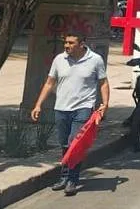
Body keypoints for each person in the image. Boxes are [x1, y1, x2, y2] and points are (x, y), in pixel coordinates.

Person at [31, 32, 109, 196]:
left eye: (71, 43)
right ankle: (64, 177)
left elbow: (103, 83)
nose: (67, 46)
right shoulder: (59, 59)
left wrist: (105, 104)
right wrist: (38, 105)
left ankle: (72, 179)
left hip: (84, 107)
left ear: (82, 44)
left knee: (75, 142)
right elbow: (49, 82)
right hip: (61, 108)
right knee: (65, 144)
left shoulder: (95, 60)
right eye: (65, 42)